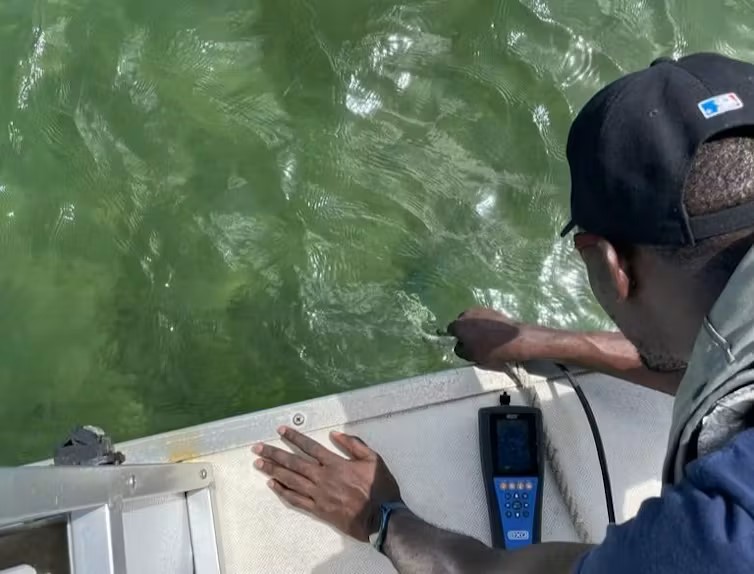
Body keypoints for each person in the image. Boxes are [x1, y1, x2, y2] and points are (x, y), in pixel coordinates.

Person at [252, 52, 754, 573]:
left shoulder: (715, 536)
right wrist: (543, 343)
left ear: (607, 260)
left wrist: (379, 517)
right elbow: (716, 348)